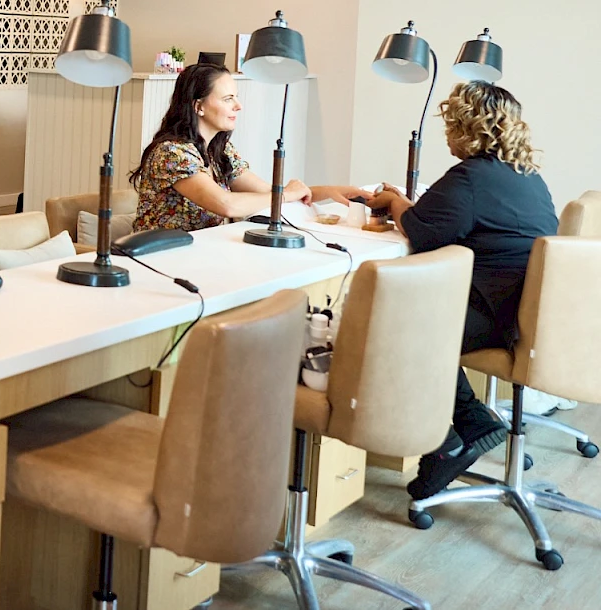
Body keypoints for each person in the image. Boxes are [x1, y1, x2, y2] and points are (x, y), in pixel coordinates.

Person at [365, 81, 558, 500]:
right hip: (526, 315)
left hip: (493, 315)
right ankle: (469, 425)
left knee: (395, 328)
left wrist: (394, 201)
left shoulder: (470, 178)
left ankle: (455, 435)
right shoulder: (529, 178)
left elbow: (421, 231)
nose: (448, 132)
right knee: (417, 321)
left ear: (468, 127)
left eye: (452, 123)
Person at [129, 63, 362, 233]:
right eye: (228, 98)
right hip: (161, 261)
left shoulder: (219, 150)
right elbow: (227, 205)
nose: (238, 106)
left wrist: (329, 191)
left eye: (236, 97)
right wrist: (288, 194)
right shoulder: (172, 153)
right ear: (198, 106)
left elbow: (267, 193)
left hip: (202, 254)